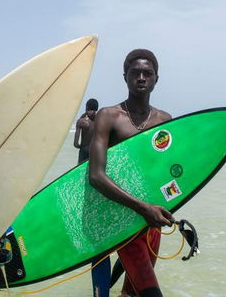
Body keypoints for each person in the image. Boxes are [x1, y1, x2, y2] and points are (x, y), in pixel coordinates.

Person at [89, 49, 174, 297]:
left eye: (147, 73)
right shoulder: (108, 116)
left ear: (156, 79)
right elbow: (95, 175)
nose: (141, 77)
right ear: (125, 76)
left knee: (133, 292)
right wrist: (141, 208)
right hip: (119, 216)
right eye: (135, 72)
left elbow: (168, 173)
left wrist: (171, 203)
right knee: (150, 293)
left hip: (151, 220)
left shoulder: (165, 119)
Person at [74, 98, 99, 164]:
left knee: (81, 171)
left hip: (84, 150)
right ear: (96, 109)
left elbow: (75, 144)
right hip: (95, 150)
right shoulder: (100, 121)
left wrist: (81, 146)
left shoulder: (81, 122)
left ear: (86, 107)